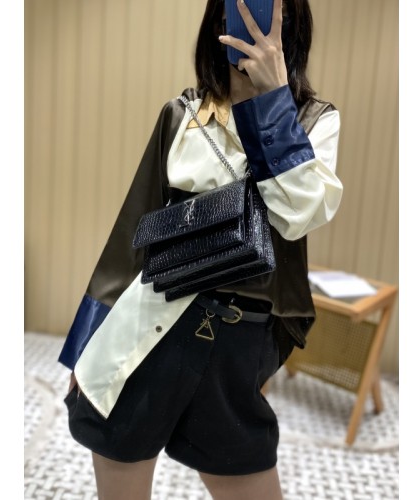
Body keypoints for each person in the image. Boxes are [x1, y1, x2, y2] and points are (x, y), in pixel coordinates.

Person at [58, 0, 343, 498]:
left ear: (293, 28)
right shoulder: (182, 114)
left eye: (269, 18)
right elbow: (130, 237)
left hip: (235, 344)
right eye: (236, 17)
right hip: (148, 326)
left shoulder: (314, 120)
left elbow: (300, 213)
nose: (252, 31)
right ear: (217, 26)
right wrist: (87, 346)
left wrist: (272, 99)